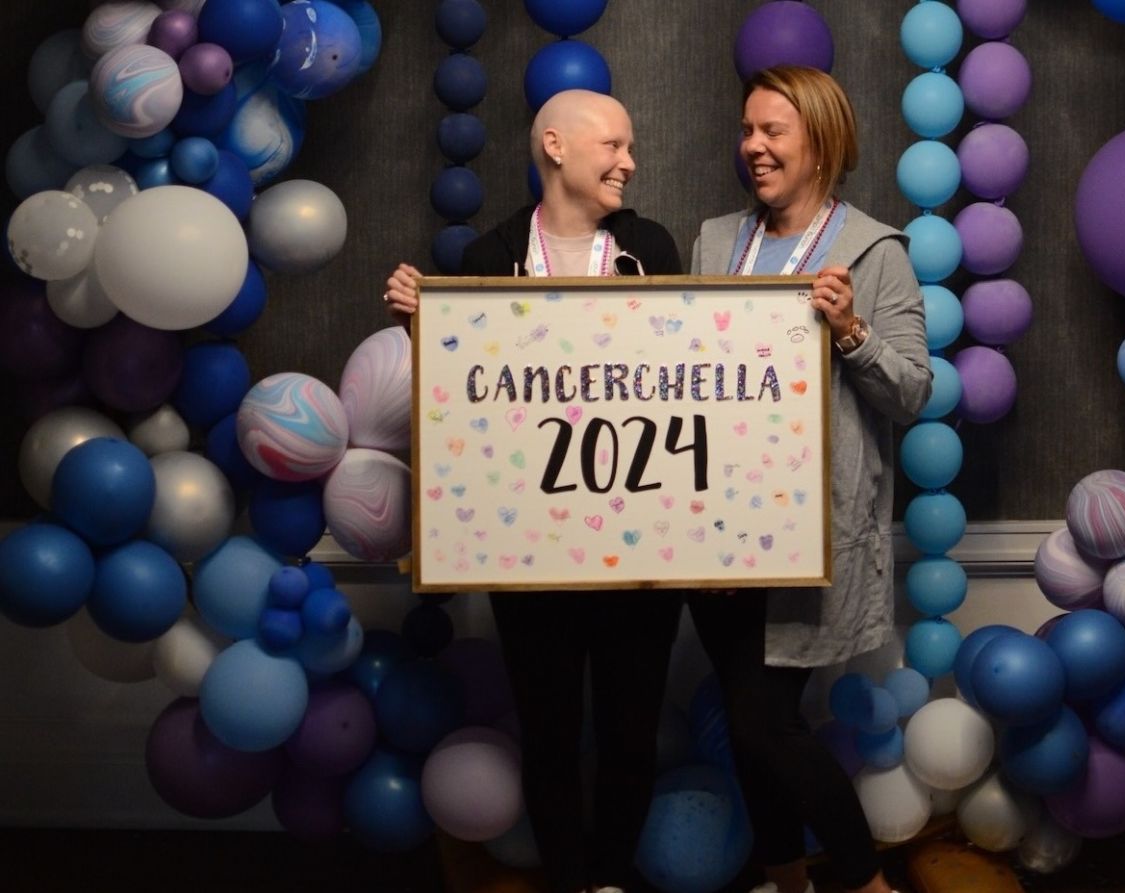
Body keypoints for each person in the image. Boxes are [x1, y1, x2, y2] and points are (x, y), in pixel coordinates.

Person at [383, 90, 683, 893]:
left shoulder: (651, 247)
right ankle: (569, 881)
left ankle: (610, 879)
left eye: (629, 147)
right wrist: (426, 328)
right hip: (529, 550)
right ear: (555, 145)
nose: (629, 162)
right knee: (548, 732)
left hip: (641, 544)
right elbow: (466, 399)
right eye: (614, 145)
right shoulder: (489, 255)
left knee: (629, 732)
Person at [688, 66, 931, 893]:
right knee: (750, 724)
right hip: (713, 527)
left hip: (806, 530)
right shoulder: (716, 242)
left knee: (765, 722)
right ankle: (787, 881)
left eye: (773, 131)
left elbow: (913, 392)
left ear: (821, 142)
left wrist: (851, 330)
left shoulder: (876, 250)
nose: (752, 147)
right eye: (747, 130)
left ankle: (867, 885)